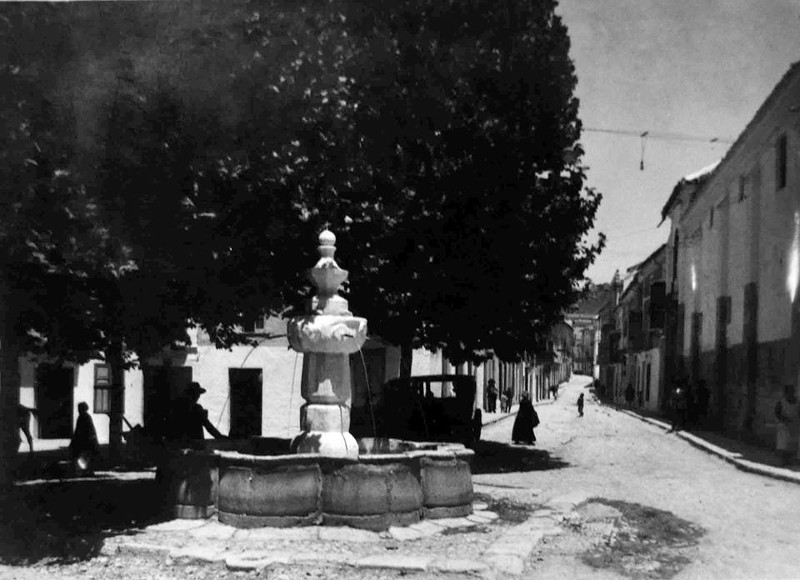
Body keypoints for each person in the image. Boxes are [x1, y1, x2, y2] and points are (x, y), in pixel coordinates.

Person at [69, 402, 99, 472]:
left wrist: (74, 441)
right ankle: (86, 469)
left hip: (85, 440)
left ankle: (84, 470)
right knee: (86, 457)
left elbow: (79, 430)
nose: (78, 410)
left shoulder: (83, 417)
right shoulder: (86, 417)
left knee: (83, 456)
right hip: (87, 440)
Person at [775, 384, 800, 466]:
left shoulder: (797, 402)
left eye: (793, 391)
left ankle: (789, 460)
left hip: (793, 426)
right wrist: (785, 419)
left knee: (792, 444)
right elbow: (777, 414)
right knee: (782, 444)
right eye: (789, 391)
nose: (792, 393)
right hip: (783, 426)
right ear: (786, 392)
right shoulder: (781, 402)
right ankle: (782, 461)